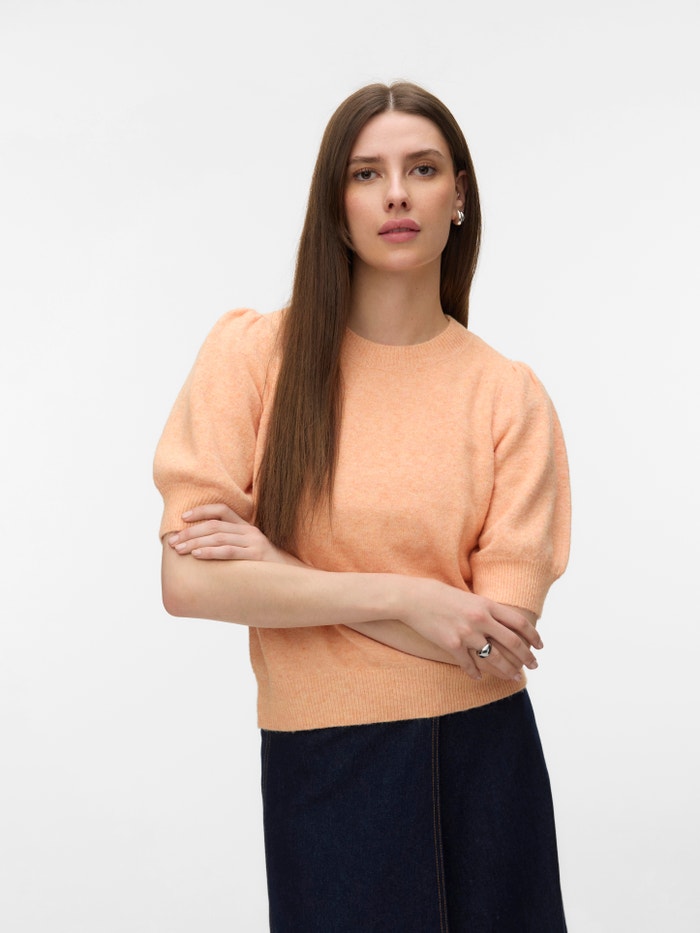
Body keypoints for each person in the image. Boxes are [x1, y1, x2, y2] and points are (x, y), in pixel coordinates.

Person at [154, 80, 571, 932]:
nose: (396, 194)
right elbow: (188, 582)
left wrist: (279, 571)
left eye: (422, 168)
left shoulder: (507, 394)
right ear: (334, 203)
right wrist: (412, 597)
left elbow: (494, 644)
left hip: (486, 765)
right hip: (324, 763)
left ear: (459, 195)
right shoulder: (253, 357)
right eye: (366, 173)